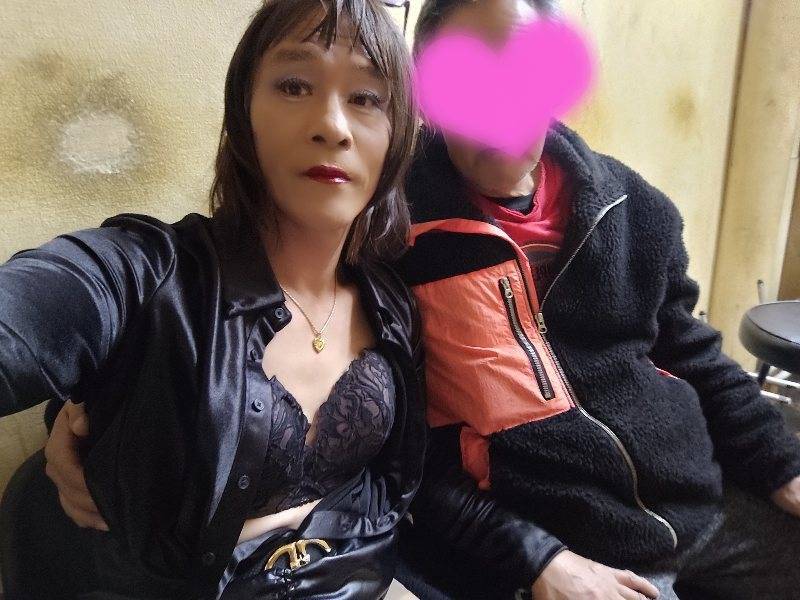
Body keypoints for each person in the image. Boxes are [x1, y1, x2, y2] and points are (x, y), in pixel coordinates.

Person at [42, 0, 800, 599]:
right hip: (537, 539)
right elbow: (193, 316)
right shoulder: (379, 224)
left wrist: (780, 464)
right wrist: (90, 409)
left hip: (695, 503)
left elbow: (694, 354)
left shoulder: (635, 208)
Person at [0, 1, 425, 598]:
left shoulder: (393, 307)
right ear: (244, 112)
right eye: (294, 85)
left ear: (397, 135)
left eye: (366, 98)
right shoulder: (152, 273)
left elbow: (394, 486)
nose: (332, 125)